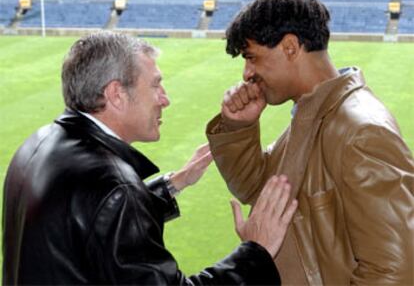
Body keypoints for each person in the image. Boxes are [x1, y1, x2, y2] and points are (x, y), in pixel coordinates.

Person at [2, 31, 298, 285]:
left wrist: (171, 185)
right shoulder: (115, 189)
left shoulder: (39, 143)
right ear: (116, 94)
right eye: (156, 85)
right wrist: (255, 252)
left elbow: (89, 222)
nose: (165, 99)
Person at [206, 0, 414, 285]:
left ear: (290, 47)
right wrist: (238, 127)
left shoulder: (361, 131)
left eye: (252, 58)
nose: (247, 73)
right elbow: (255, 188)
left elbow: (396, 272)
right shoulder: (311, 115)